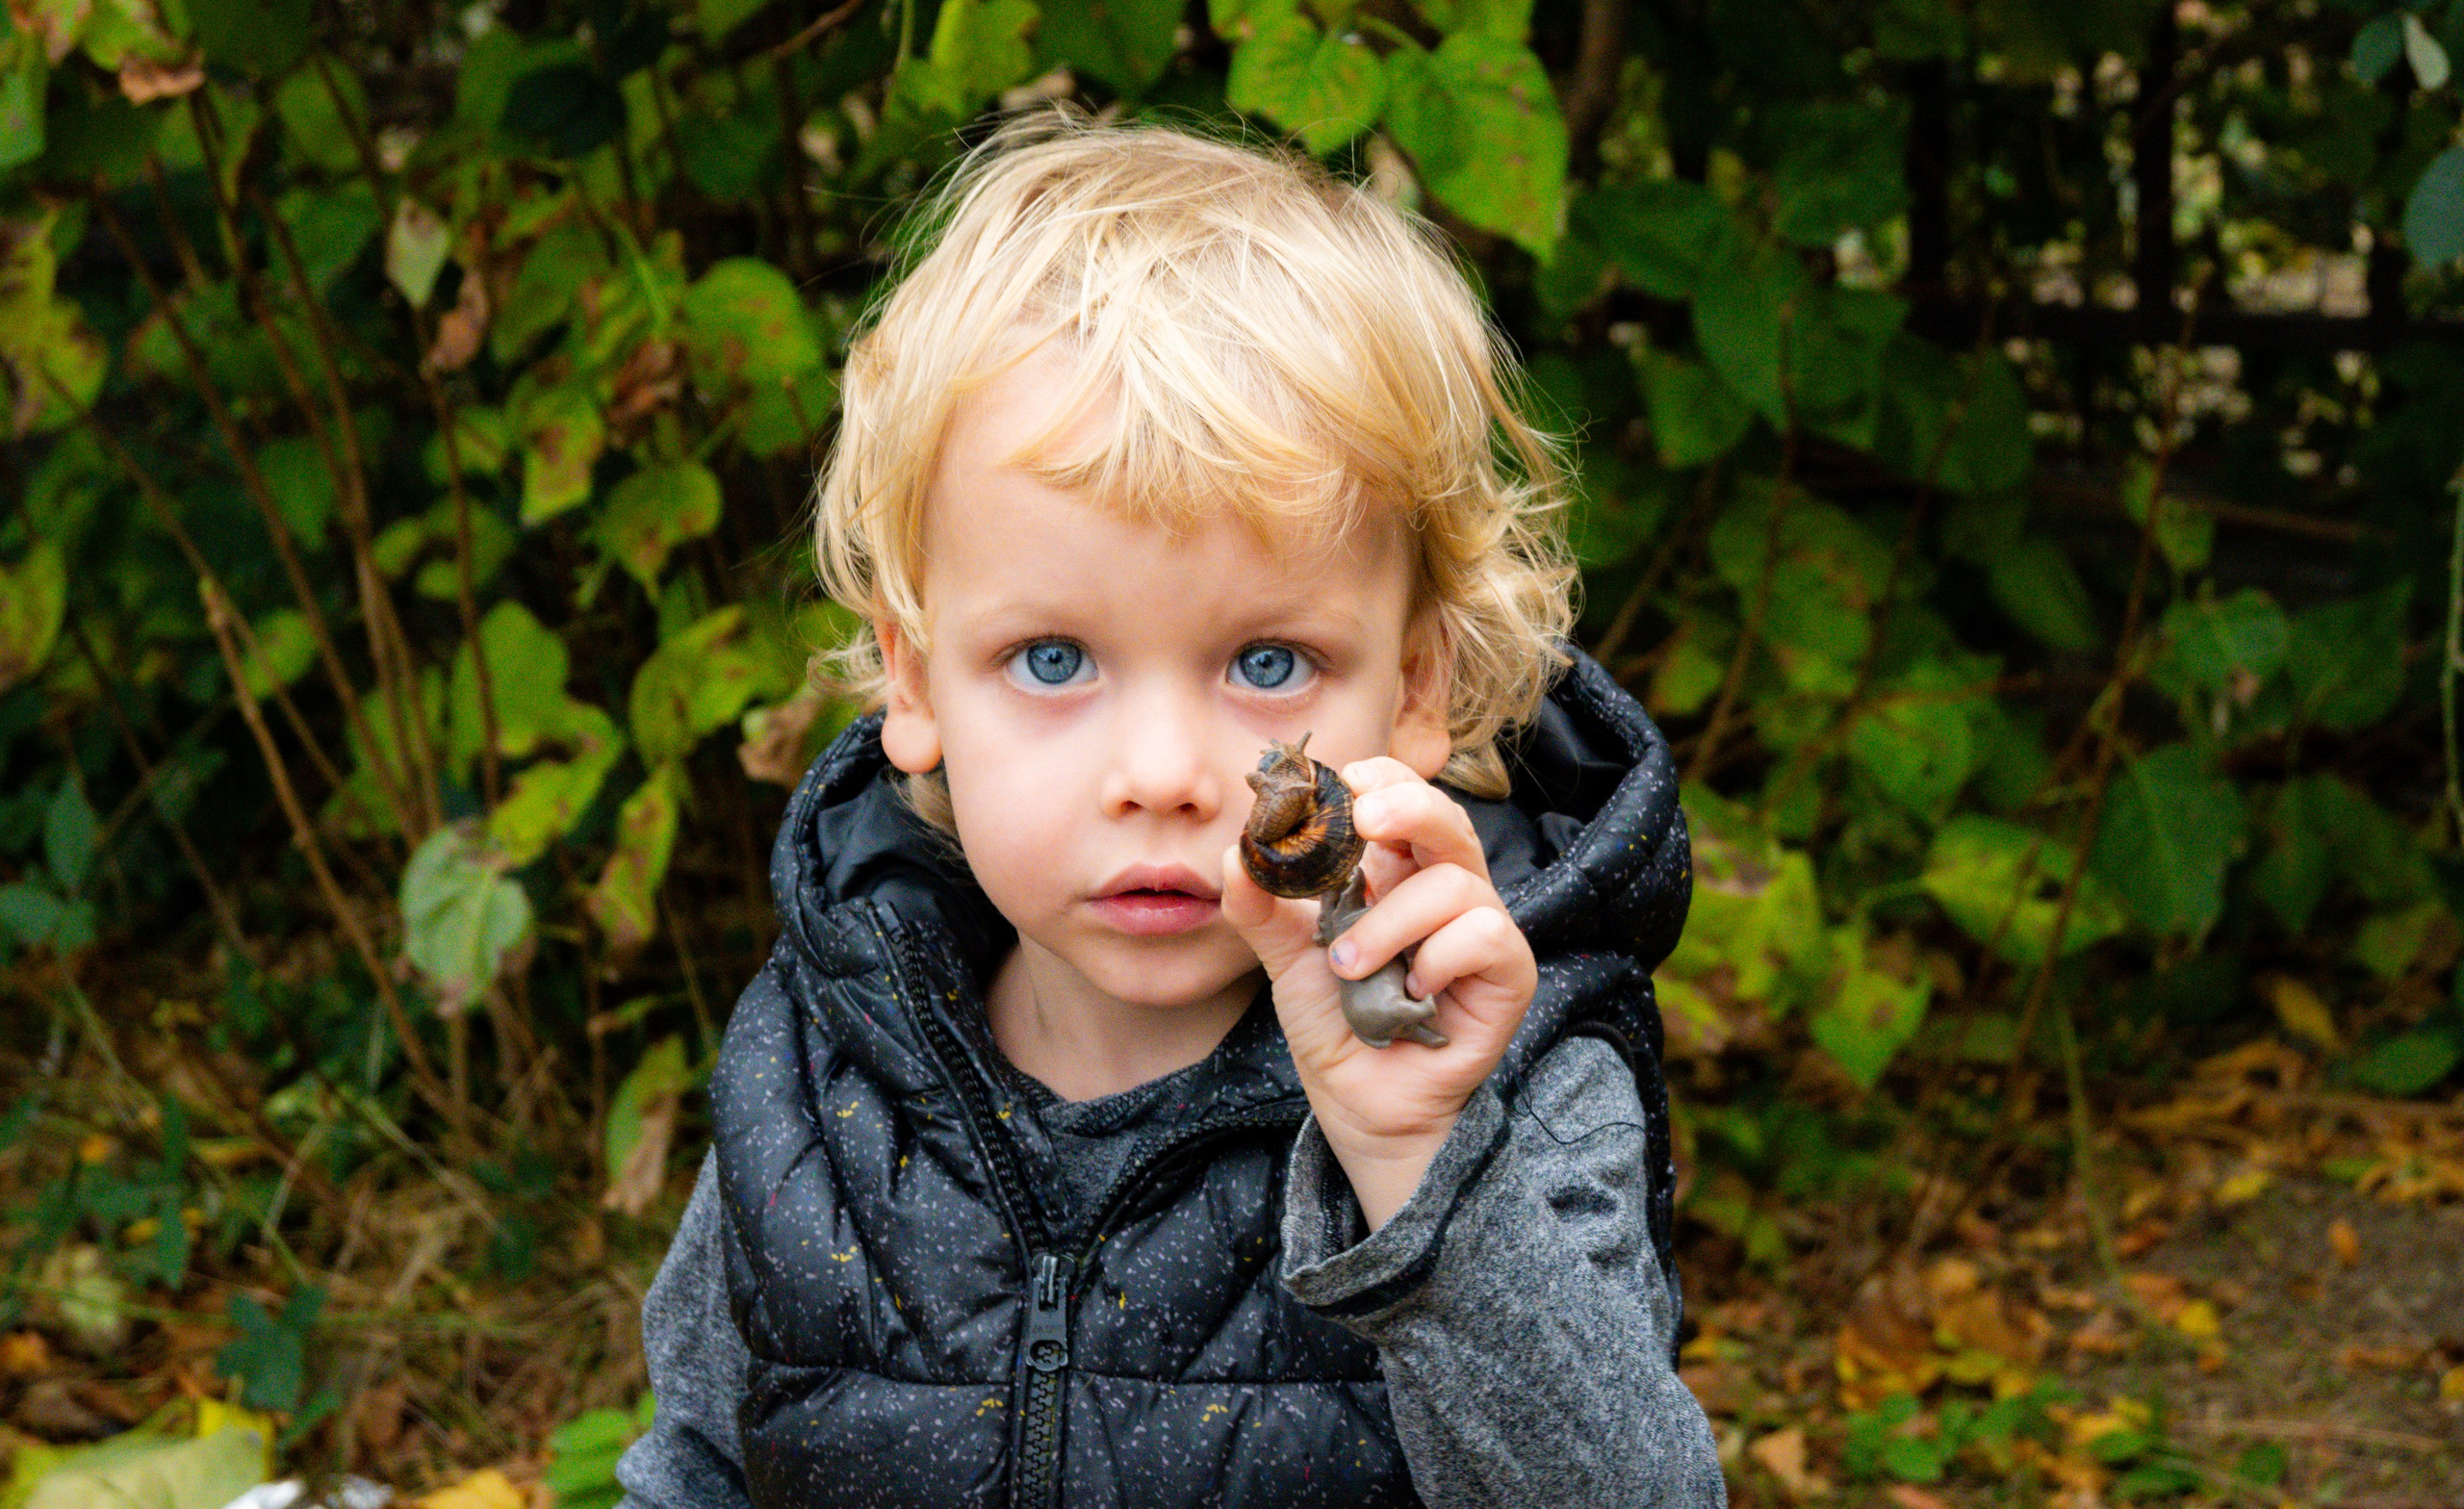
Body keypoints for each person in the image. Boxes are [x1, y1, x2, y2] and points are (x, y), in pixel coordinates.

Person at [614, 117, 1725, 1509]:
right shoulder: (827, 1070)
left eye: (1269, 666)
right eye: (1054, 661)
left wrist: (1418, 1171)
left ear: (1419, 684)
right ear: (913, 680)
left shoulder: (1501, 1086)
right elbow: (704, 1466)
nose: (1163, 773)